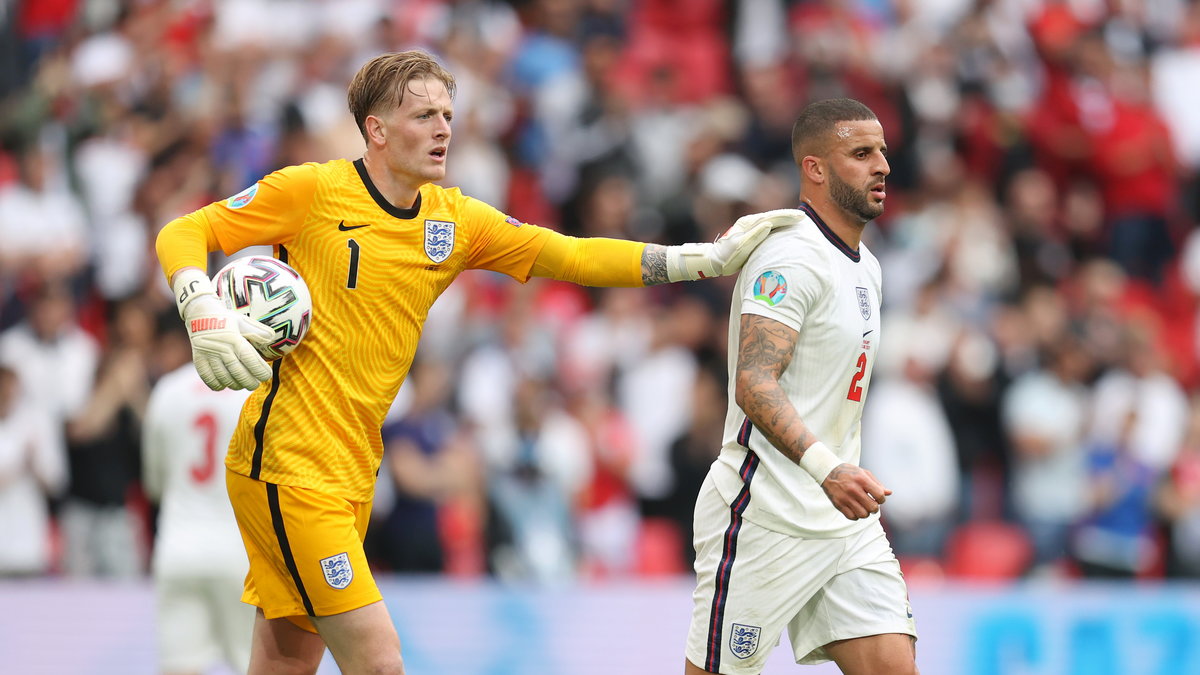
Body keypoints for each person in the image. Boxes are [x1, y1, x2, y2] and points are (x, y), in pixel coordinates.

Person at [155, 50, 792, 675]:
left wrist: (698, 259)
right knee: (378, 660)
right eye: (424, 115)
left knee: (284, 661)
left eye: (449, 114)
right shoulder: (312, 192)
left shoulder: (452, 221)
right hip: (287, 466)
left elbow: (567, 255)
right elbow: (182, 232)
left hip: (352, 469)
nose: (443, 129)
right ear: (375, 130)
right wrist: (200, 304)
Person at [684, 98, 918, 675]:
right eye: (861, 154)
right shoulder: (789, 258)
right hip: (765, 516)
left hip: (843, 524)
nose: (882, 165)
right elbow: (753, 382)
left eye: (882, 151)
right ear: (815, 168)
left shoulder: (867, 264)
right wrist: (828, 468)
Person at [143, 361, 255, 675]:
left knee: (180, 666)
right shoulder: (254, 386)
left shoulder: (168, 389)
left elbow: (154, 482)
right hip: (240, 552)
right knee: (255, 665)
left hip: (178, 548)